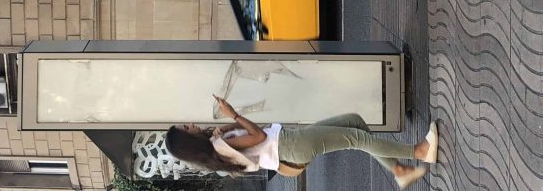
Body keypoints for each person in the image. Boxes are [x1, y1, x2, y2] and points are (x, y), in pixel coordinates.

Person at [164, 95, 439, 190]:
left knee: (354, 121)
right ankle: (419, 151)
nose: (191, 124)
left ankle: (399, 171)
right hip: (289, 146)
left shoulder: (216, 148)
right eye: (186, 127)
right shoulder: (218, 148)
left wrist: (225, 125)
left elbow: (252, 138)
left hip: (288, 146)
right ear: (187, 137)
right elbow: (259, 136)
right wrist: (233, 113)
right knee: (357, 138)